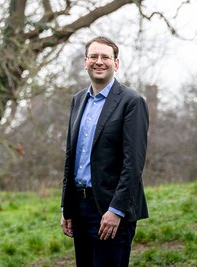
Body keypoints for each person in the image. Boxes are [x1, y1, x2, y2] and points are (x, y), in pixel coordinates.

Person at [60, 36, 149, 267]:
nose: (99, 61)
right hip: (79, 209)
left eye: (105, 57)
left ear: (115, 64)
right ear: (85, 62)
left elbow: (133, 163)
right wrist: (66, 207)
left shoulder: (132, 101)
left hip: (110, 211)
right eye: (94, 56)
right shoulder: (78, 100)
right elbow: (71, 156)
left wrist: (116, 210)